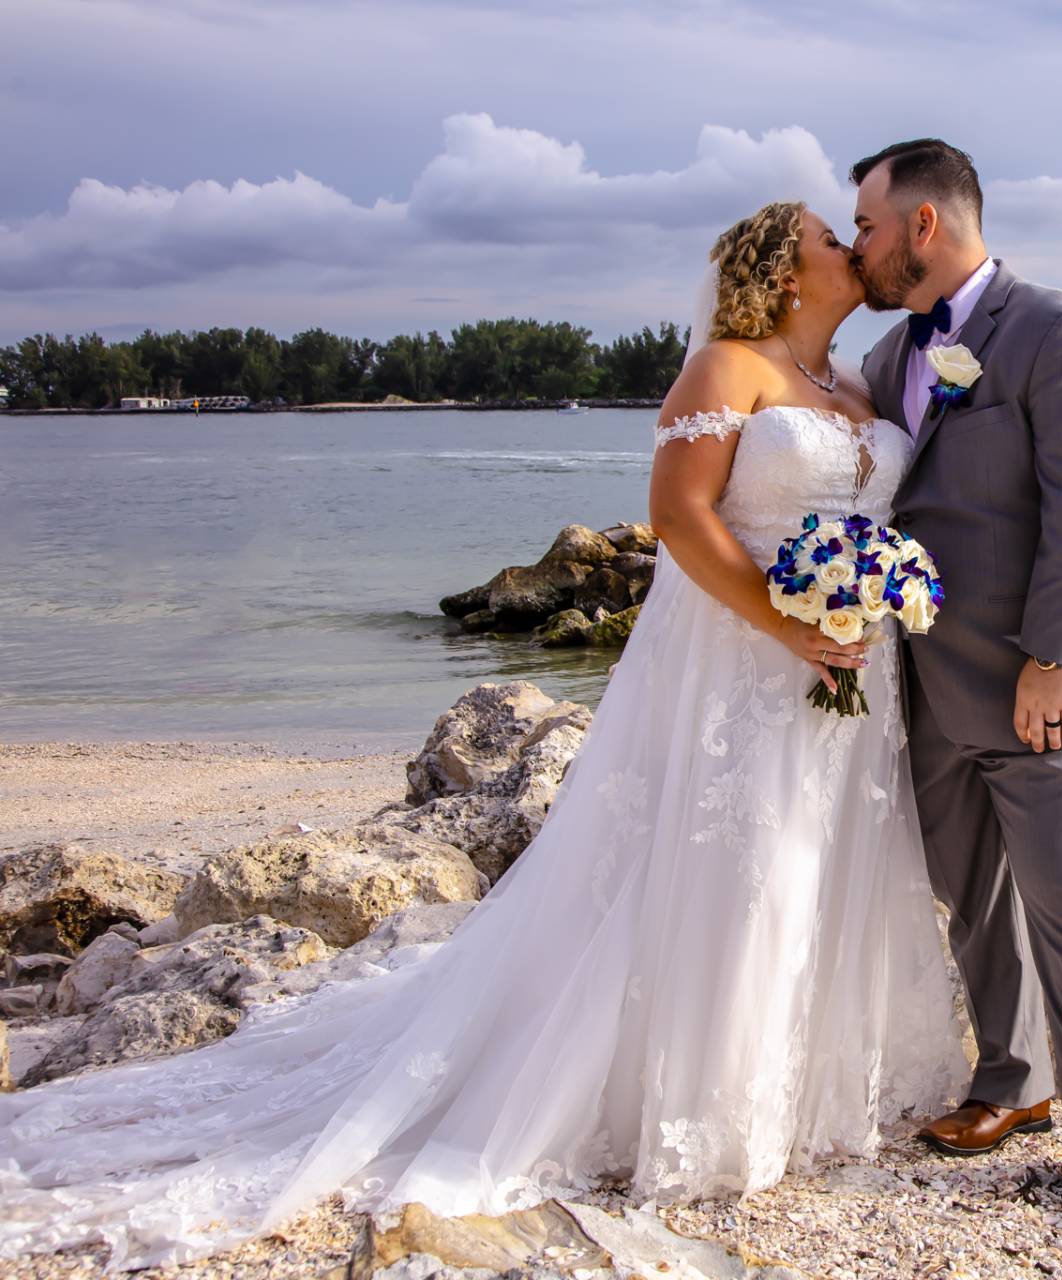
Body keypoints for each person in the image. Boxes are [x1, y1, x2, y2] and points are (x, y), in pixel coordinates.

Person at [0, 200, 970, 1272]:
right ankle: (703, 1100)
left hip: (847, 666)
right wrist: (789, 624)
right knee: (732, 858)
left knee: (815, 856)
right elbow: (683, 519)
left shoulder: (863, 385)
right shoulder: (724, 370)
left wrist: (869, 602)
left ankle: (807, 1087)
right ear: (787, 271)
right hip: (745, 657)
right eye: (833, 235)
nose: (852, 243)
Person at [850, 138, 1062, 1244]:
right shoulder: (891, 357)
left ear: (924, 226)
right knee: (971, 893)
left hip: (1047, 684)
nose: (861, 248)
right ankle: (1012, 1075)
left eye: (870, 227)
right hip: (930, 683)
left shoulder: (1055, 328)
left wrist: (1060, 655)